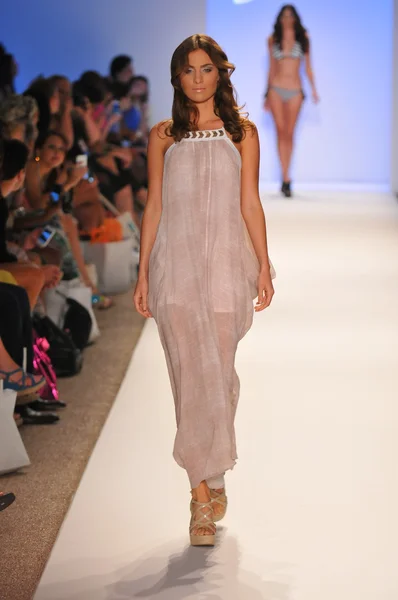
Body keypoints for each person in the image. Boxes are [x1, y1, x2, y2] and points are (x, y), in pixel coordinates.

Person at [134, 34, 275, 547]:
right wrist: (145, 272)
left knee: (219, 373)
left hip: (224, 268)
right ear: (177, 77)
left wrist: (263, 265)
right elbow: (154, 207)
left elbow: (251, 204)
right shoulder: (163, 135)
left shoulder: (244, 134)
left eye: (206, 69)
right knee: (188, 374)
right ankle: (199, 499)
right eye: (188, 70)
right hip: (176, 266)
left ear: (220, 73)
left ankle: (213, 472)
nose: (197, 78)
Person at [264, 4, 319, 197]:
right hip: (276, 90)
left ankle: (287, 176)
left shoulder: (304, 39)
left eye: (290, 16)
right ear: (280, 19)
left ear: (295, 18)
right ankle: (285, 177)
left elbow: (308, 67)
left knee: (289, 132)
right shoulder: (273, 40)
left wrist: (314, 90)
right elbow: (271, 69)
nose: (287, 19)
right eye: (284, 16)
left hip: (295, 91)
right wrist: (266, 94)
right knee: (280, 132)